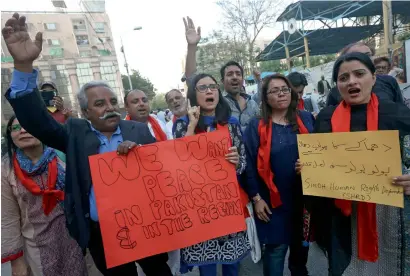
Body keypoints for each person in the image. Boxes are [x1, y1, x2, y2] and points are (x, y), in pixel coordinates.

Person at [2, 13, 172, 276]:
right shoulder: (75, 133)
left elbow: (164, 173)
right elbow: (36, 122)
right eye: (99, 104)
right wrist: (23, 66)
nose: (110, 108)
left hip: (147, 228)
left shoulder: (138, 130)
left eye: (113, 101)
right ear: (85, 112)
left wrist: (141, 157)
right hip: (102, 235)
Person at [304, 52, 410, 276]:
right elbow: (319, 163)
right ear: (337, 86)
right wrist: (307, 167)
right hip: (341, 213)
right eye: (343, 78)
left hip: (386, 212)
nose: (351, 81)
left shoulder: (397, 114)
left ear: (373, 77)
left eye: (359, 74)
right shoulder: (326, 117)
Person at [173, 73, 250, 276]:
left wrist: (236, 162)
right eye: (202, 87)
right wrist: (192, 124)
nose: (209, 91)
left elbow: (243, 163)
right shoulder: (182, 124)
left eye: (213, 87)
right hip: (199, 206)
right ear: (193, 95)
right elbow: (179, 162)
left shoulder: (231, 123)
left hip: (228, 203)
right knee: (206, 265)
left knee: (231, 263)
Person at [244, 74, 314, 276]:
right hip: (272, 202)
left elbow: (321, 153)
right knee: (275, 252)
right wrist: (256, 198)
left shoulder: (306, 118)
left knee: (300, 255)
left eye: (284, 89)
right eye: (274, 90)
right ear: (265, 98)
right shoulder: (256, 126)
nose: (281, 93)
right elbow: (248, 164)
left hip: (304, 200)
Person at [1, 115, 87, 276]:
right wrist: (17, 262)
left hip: (73, 241)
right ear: (10, 135)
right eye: (16, 128)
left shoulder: (63, 155)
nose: (23, 131)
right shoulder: (6, 170)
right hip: (36, 248)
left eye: (28, 124)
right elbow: (7, 219)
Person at [183, 16, 259, 132]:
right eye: (230, 74)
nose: (234, 77)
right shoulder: (217, 103)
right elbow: (192, 78)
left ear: (242, 79)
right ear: (222, 81)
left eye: (238, 74)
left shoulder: (253, 103)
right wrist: (192, 47)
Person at [326, 41, 404, 106]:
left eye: (368, 55)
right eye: (356, 56)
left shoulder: (389, 81)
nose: (364, 59)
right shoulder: (335, 92)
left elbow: (401, 112)